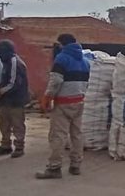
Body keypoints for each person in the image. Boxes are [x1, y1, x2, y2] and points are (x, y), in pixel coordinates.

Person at [36, 33, 90, 179]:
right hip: (79, 101)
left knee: (58, 136)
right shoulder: (85, 61)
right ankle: (75, 165)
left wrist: (47, 97)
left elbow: (56, 81)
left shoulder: (62, 58)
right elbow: (87, 83)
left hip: (63, 102)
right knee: (77, 134)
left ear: (61, 44)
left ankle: (54, 168)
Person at [0, 40, 29, 158]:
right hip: (6, 99)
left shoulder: (14, 62)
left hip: (15, 99)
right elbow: (6, 80)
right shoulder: (6, 62)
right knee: (4, 124)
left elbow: (13, 83)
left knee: (17, 124)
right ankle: (5, 145)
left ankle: (19, 146)